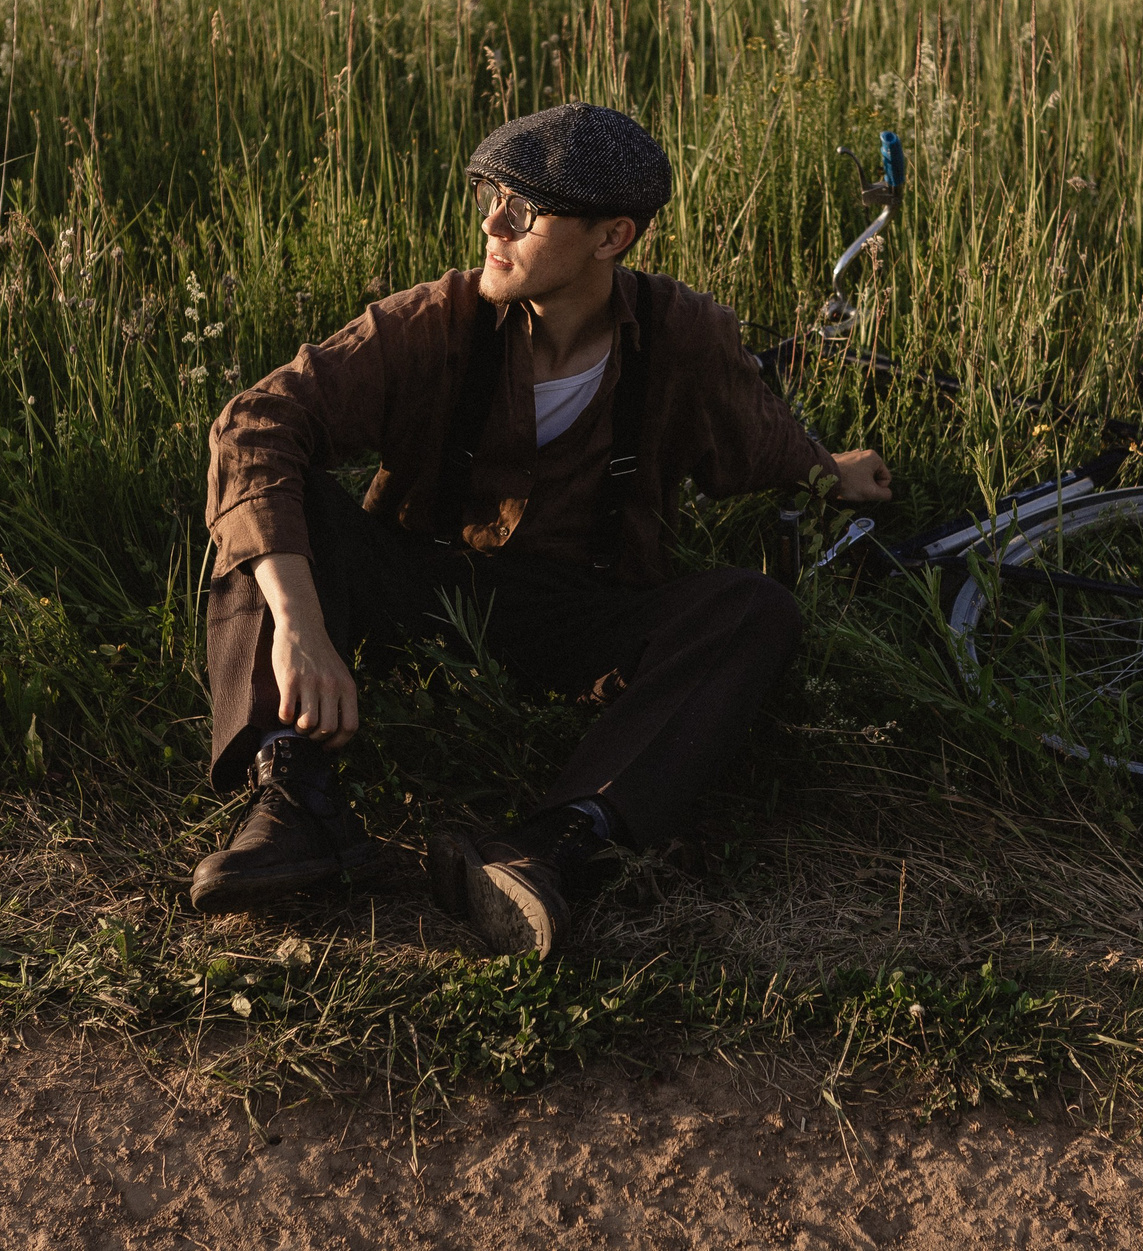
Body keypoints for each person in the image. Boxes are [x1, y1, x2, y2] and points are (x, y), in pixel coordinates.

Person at [190, 101, 893, 957]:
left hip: (585, 613)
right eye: (490, 194)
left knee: (755, 609)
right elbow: (255, 422)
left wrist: (834, 473)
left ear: (611, 237)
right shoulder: (437, 321)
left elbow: (757, 432)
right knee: (265, 518)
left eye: (523, 210)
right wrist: (301, 624)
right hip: (425, 582)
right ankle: (294, 798)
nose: (492, 222)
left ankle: (559, 842)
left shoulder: (683, 335)